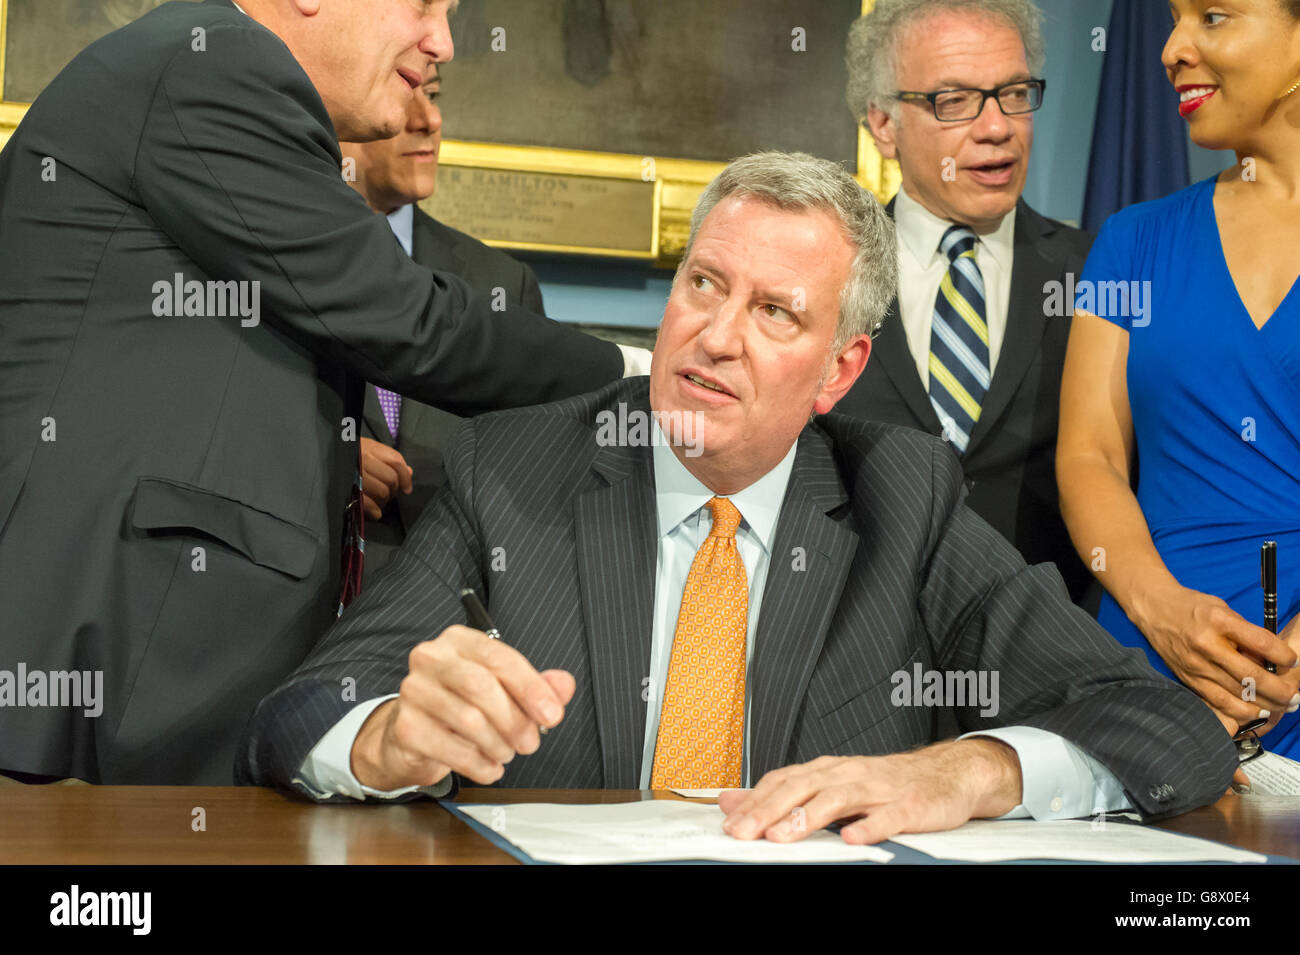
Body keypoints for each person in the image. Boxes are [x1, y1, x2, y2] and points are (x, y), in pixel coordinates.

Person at [240, 152, 1235, 843]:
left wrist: (963, 772)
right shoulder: (515, 467)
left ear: (839, 370)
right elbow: (297, 715)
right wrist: (382, 738)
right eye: (704, 286)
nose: (716, 336)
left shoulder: (902, 497)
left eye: (771, 312)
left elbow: (1164, 728)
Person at [0, 0, 638, 785]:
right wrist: (639, 376)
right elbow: (407, 320)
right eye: (423, 3)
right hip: (91, 688)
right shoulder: (218, 65)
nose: (442, 39)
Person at [1057, 0, 1300, 763]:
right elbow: (1089, 453)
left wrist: (1287, 667)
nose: (1171, 48)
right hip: (1147, 669)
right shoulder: (1133, 239)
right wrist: (1162, 612)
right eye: (1174, 19)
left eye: (1214, 16)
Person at [834, 0, 1096, 608]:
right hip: (854, 660)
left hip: (1048, 662)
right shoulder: (827, 275)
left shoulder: (1098, 274)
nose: (998, 127)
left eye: (1013, 94)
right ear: (883, 123)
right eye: (954, 102)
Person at [340, 61, 544, 575]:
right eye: (406, 95)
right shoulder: (263, 265)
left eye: (433, 95)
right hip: (303, 610)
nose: (429, 120)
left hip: (451, 609)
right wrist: (321, 463)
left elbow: (533, 475)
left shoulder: (502, 284)